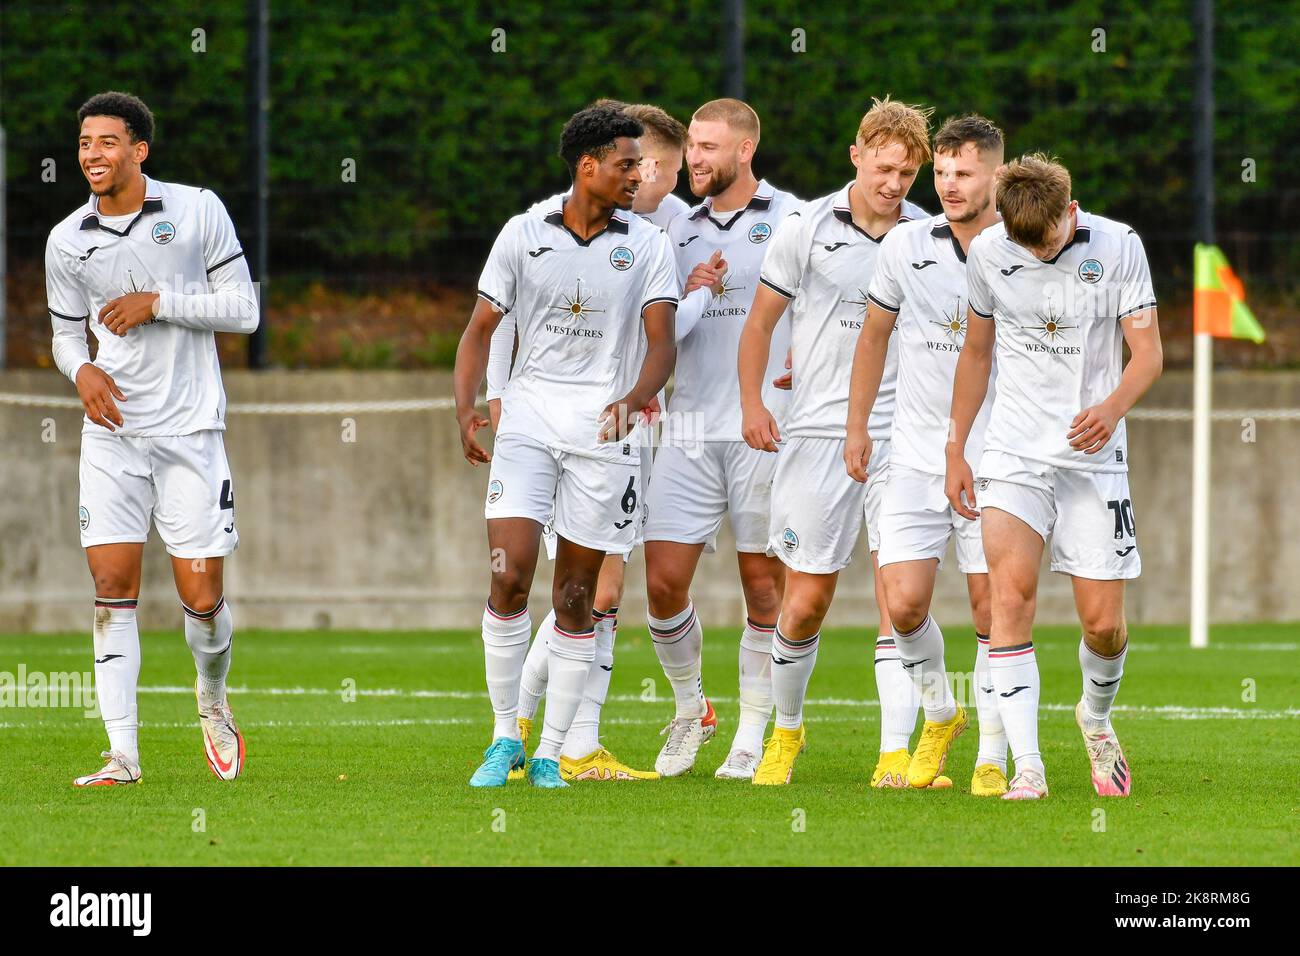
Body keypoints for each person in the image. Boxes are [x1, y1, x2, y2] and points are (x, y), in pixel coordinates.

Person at [453, 104, 678, 788]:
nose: (638, 174)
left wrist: (635, 399)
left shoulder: (646, 246)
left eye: (639, 163)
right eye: (627, 163)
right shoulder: (524, 234)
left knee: (577, 595)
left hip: (602, 438)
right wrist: (466, 407)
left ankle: (551, 751)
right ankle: (503, 738)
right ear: (588, 167)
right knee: (508, 574)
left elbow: (662, 342)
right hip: (526, 428)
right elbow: (479, 329)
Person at [46, 91, 259, 786]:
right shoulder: (67, 238)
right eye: (84, 144)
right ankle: (122, 756)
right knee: (111, 587)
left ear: (139, 150)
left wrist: (159, 303)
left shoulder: (197, 209)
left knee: (201, 599)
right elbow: (61, 332)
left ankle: (213, 696)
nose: (92, 156)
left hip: (191, 431)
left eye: (107, 142)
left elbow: (245, 311)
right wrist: (80, 370)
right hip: (111, 435)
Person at [945, 154, 1162, 799]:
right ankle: (1028, 768)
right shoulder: (988, 251)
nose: (1040, 256)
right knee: (1009, 602)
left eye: (1051, 244)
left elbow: (1147, 353)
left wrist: (1110, 408)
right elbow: (976, 353)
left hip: (1093, 457)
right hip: (1012, 453)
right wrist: (957, 449)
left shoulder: (1120, 245)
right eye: (1026, 246)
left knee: (1103, 625)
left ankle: (1095, 718)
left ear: (1072, 213)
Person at [738, 97, 933, 785]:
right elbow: (760, 325)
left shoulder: (930, 237)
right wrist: (753, 403)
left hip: (904, 436)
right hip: (818, 431)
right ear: (856, 154)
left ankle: (893, 754)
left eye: (908, 174)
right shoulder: (806, 227)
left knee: (901, 600)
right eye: (884, 168)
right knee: (806, 601)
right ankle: (785, 735)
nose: (894, 184)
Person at [846, 114, 1009, 794]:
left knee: (990, 610)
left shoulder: (1024, 246)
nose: (947, 185)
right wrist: (857, 427)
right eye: (940, 173)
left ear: (997, 175)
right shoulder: (907, 245)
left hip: (998, 457)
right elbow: (873, 337)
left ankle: (995, 756)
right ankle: (941, 713)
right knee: (905, 604)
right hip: (912, 454)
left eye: (962, 173)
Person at [642, 98, 803, 779]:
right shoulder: (675, 229)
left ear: (744, 151)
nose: (695, 160)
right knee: (662, 583)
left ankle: (754, 732)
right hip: (687, 425)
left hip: (765, 428)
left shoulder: (796, 218)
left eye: (707, 148)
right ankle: (691, 708)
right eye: (692, 148)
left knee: (762, 585)